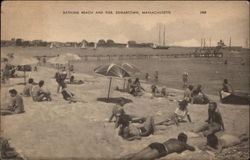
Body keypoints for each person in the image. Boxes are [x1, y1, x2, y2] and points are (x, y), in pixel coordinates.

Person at [121, 133, 195, 160]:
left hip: (157, 144)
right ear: (184, 140)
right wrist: (186, 146)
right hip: (162, 149)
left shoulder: (173, 139)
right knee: (143, 158)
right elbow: (193, 149)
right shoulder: (183, 144)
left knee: (136, 155)